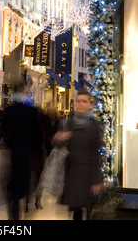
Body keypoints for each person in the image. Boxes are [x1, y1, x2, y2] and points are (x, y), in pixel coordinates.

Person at [53, 90, 104, 220]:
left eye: (84, 101)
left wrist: (97, 181)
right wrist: (58, 138)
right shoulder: (68, 123)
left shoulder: (94, 126)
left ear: (90, 105)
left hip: (88, 174)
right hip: (73, 173)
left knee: (88, 209)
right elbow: (55, 145)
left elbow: (97, 155)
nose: (80, 104)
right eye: (78, 101)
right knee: (76, 210)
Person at [2, 77, 44, 220]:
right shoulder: (32, 112)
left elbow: (3, 132)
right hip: (26, 154)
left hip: (14, 154)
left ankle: (14, 213)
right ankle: (23, 201)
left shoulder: (9, 111)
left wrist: (10, 143)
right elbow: (39, 135)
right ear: (25, 93)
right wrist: (36, 150)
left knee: (13, 186)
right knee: (25, 184)